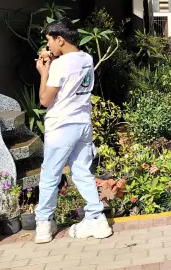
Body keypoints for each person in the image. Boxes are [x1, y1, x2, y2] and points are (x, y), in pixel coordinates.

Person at [34, 18, 112, 243]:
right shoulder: (87, 58)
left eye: (49, 41)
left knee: (50, 175)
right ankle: (96, 218)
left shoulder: (59, 65)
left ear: (60, 39)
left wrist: (44, 72)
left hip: (61, 125)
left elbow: (45, 100)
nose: (48, 46)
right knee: (82, 172)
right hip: (82, 124)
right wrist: (53, 61)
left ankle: (44, 224)